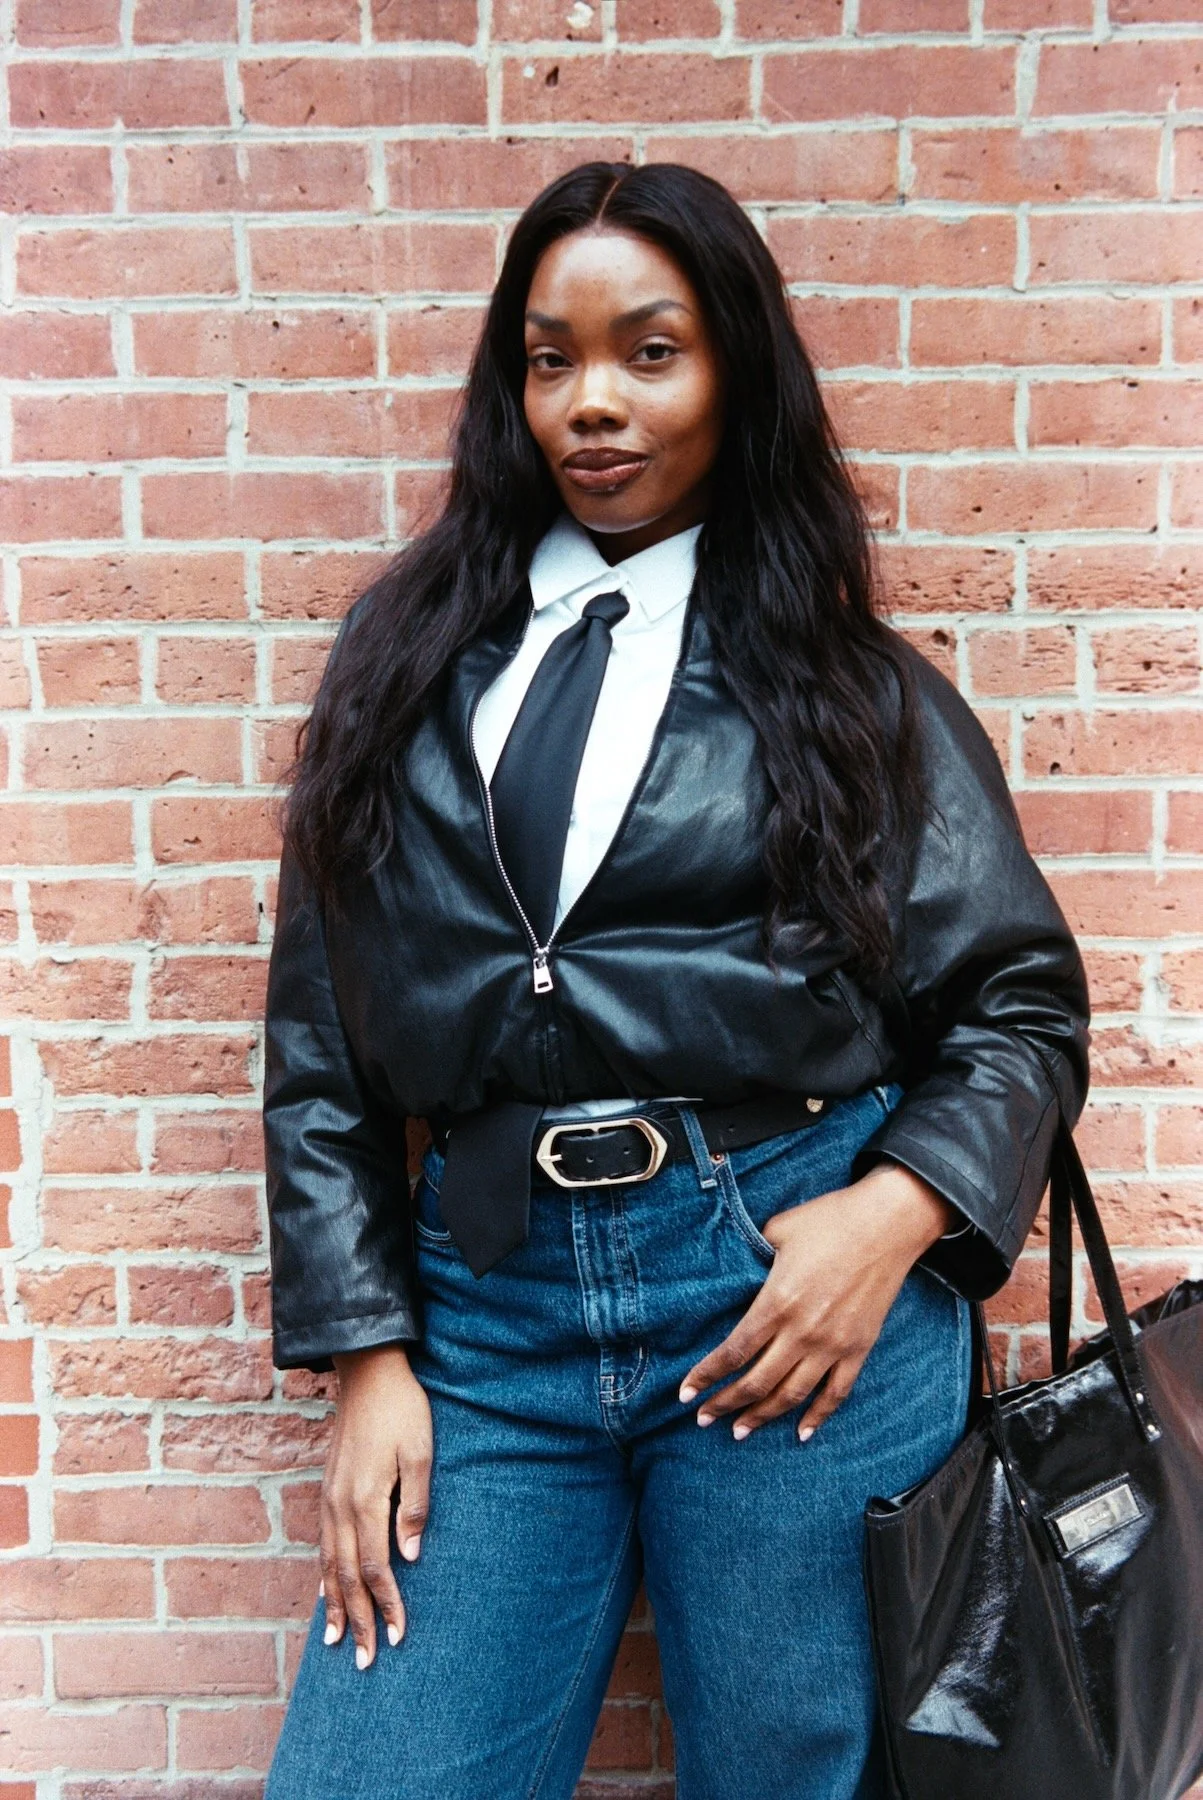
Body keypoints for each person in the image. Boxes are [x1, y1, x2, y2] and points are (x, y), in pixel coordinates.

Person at [261, 161, 1090, 1800]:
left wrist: (889, 1219)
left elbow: (1020, 1005)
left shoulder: (849, 690)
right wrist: (364, 1351)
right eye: (548, 359)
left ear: (735, 373)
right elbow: (320, 1045)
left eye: (650, 352)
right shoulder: (403, 665)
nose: (592, 403)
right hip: (489, 1312)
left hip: (785, 1303)